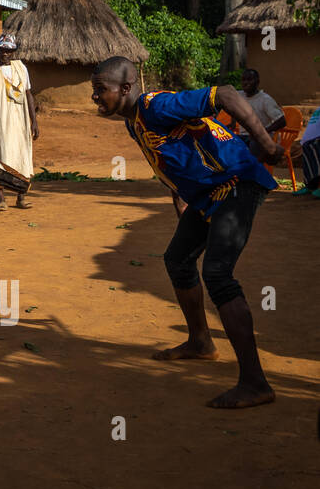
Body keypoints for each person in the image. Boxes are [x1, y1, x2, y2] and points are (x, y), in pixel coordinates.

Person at [90, 56, 283, 409]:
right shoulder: (134, 121)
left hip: (236, 182)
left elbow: (224, 94)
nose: (96, 97)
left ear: (127, 88)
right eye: (94, 91)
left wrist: (268, 147)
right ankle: (200, 342)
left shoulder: (155, 105)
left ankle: (256, 383)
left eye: (101, 90)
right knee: (178, 259)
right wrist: (180, 199)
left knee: (218, 274)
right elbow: (171, 156)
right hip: (209, 194)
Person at [0, 31, 38, 210]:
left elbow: (28, 94)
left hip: (20, 122)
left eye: (9, 51)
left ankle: (21, 197)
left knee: (21, 156)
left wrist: (34, 121)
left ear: (14, 52)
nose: (5, 54)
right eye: (2, 50)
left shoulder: (21, 68)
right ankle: (1, 199)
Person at [238, 69, 286, 137]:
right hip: (244, 136)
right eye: (243, 80)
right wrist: (232, 123)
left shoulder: (265, 100)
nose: (246, 82)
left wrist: (262, 132)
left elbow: (282, 122)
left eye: (249, 80)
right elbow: (230, 106)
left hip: (262, 139)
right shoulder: (239, 96)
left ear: (257, 82)